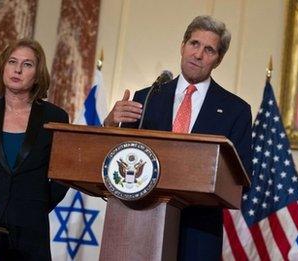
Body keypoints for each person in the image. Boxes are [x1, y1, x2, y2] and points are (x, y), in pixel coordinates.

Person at [103, 15, 252, 260]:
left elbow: (241, 178)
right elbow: (116, 158)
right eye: (194, 44)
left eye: (209, 49)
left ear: (218, 59)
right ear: (182, 46)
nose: (198, 54)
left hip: (199, 232)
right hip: (141, 222)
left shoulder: (235, 110)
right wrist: (109, 125)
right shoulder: (146, 98)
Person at [0, 38, 69, 260]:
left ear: (38, 74)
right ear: (3, 67)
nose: (17, 69)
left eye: (27, 64)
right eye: (12, 61)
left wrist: (38, 203)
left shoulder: (55, 118)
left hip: (30, 227)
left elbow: (62, 175)